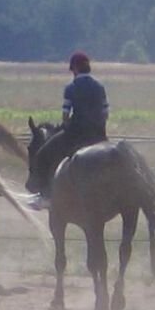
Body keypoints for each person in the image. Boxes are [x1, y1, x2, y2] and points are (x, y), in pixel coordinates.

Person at [30, 50, 108, 200]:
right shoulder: (100, 86)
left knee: (42, 155)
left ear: (75, 68)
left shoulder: (71, 87)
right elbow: (105, 113)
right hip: (99, 134)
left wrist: (67, 126)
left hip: (76, 134)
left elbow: (65, 116)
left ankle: (44, 196)